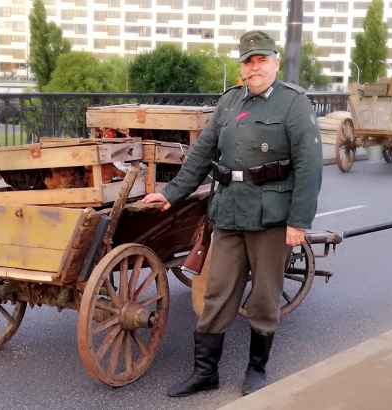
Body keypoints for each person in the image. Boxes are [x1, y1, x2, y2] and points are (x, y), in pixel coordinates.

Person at [141, 30, 323, 397]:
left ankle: (256, 370)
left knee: (264, 296)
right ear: (241, 67)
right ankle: (205, 373)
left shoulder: (293, 103)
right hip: (228, 212)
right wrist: (171, 194)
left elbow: (309, 166)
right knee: (217, 292)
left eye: (261, 60)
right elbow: (202, 154)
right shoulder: (229, 102)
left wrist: (298, 222)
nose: (254, 67)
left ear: (274, 62)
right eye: (248, 61)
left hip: (272, 216)